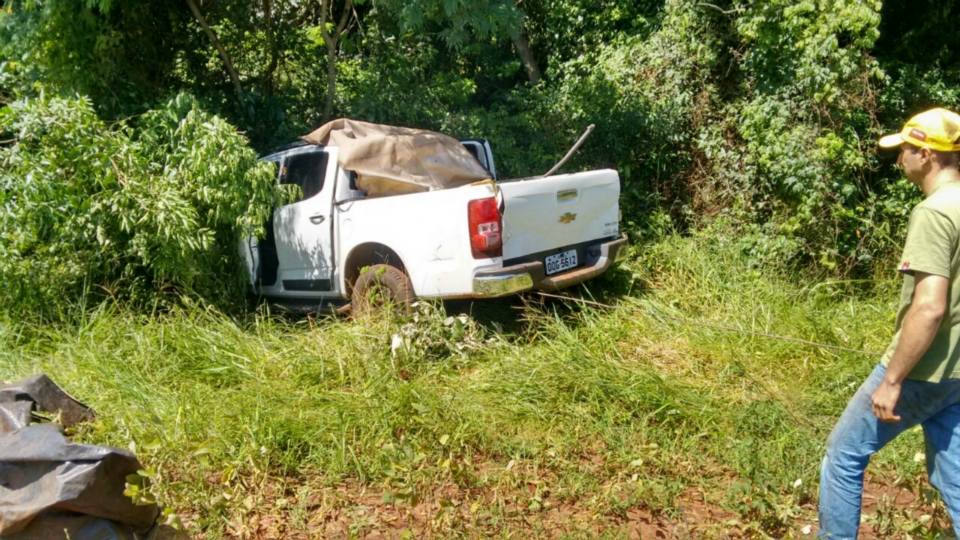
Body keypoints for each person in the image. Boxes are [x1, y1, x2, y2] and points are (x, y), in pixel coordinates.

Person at [819, 107, 960, 539]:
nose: (900, 159)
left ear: (927, 154)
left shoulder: (935, 213)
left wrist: (894, 379)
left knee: (842, 456)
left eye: (904, 150)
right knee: (955, 480)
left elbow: (930, 306)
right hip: (958, 373)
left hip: (924, 369)